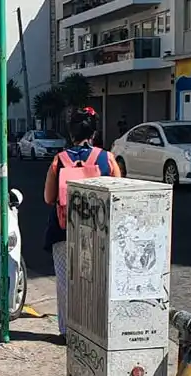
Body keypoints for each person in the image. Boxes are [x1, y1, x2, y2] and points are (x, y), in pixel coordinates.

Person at [43, 107, 122, 343]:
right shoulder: (106, 158)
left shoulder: (60, 159)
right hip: (99, 233)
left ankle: (67, 332)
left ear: (71, 133)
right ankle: (96, 329)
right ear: (94, 132)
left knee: (66, 283)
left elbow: (48, 198)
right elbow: (119, 193)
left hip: (64, 230)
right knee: (97, 282)